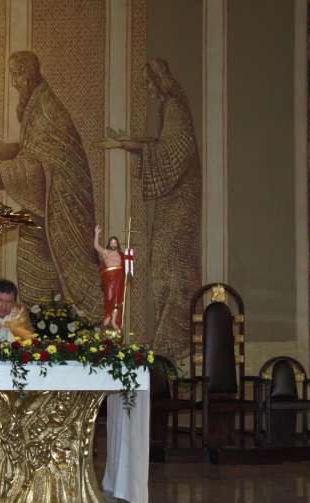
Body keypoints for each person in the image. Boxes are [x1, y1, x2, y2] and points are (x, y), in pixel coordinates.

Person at [0, 51, 101, 319]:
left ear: (30, 73)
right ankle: (40, 324)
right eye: (11, 74)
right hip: (39, 214)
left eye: (18, 74)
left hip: (59, 208)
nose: (14, 82)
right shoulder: (35, 104)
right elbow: (32, 151)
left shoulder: (46, 109)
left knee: (58, 274)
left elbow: (48, 162)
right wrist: (6, 151)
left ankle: (58, 324)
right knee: (31, 270)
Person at [99, 58, 201, 357]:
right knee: (162, 263)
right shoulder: (170, 106)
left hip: (181, 198)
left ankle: (174, 339)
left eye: (148, 81)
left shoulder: (174, 106)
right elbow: (161, 143)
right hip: (173, 199)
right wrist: (128, 141)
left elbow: (174, 151)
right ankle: (168, 336)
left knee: (170, 263)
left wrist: (126, 145)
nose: (147, 87)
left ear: (159, 78)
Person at [93, 224, 125, 331]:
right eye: (111, 242)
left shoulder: (121, 254)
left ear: (117, 244)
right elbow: (96, 246)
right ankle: (107, 315)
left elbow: (126, 267)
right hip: (109, 280)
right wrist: (96, 234)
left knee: (118, 299)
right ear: (109, 244)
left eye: (115, 242)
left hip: (119, 279)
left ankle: (114, 320)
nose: (113, 244)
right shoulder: (106, 252)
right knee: (109, 297)